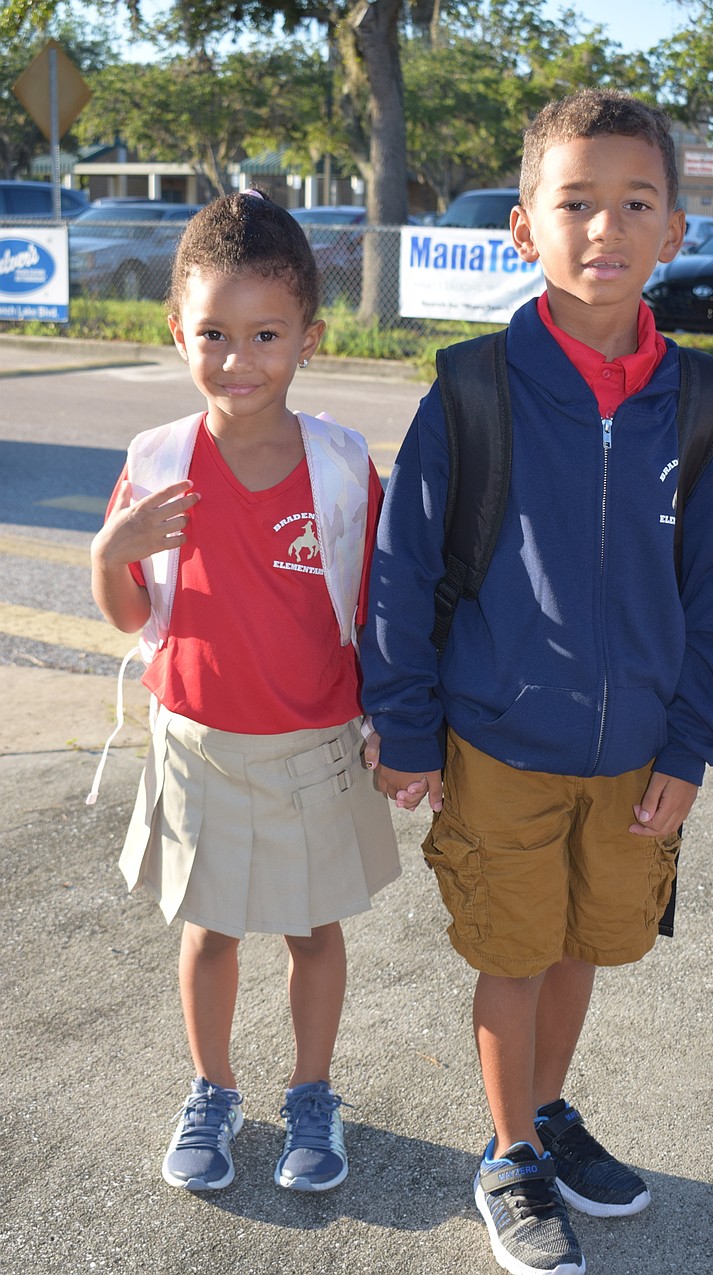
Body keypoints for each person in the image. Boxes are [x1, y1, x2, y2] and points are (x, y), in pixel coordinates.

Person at [359, 89, 713, 1275]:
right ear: (523, 227)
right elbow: (403, 568)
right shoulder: (472, 390)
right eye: (575, 202)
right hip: (499, 741)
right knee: (514, 954)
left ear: (675, 231)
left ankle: (544, 1111)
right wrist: (406, 725)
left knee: (583, 942)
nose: (604, 228)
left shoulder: (701, 407)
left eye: (635, 204)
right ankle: (507, 1156)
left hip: (636, 754)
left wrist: (690, 746)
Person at [90, 189, 400, 1194]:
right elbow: (130, 615)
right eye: (214, 334)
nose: (239, 359)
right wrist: (109, 551)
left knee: (315, 930)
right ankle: (212, 1089)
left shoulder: (341, 467)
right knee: (209, 930)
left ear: (310, 336)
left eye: (266, 334)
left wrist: (396, 726)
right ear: (177, 331)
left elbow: (380, 613)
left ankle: (312, 1094)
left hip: (315, 746)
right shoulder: (157, 464)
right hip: (198, 744)